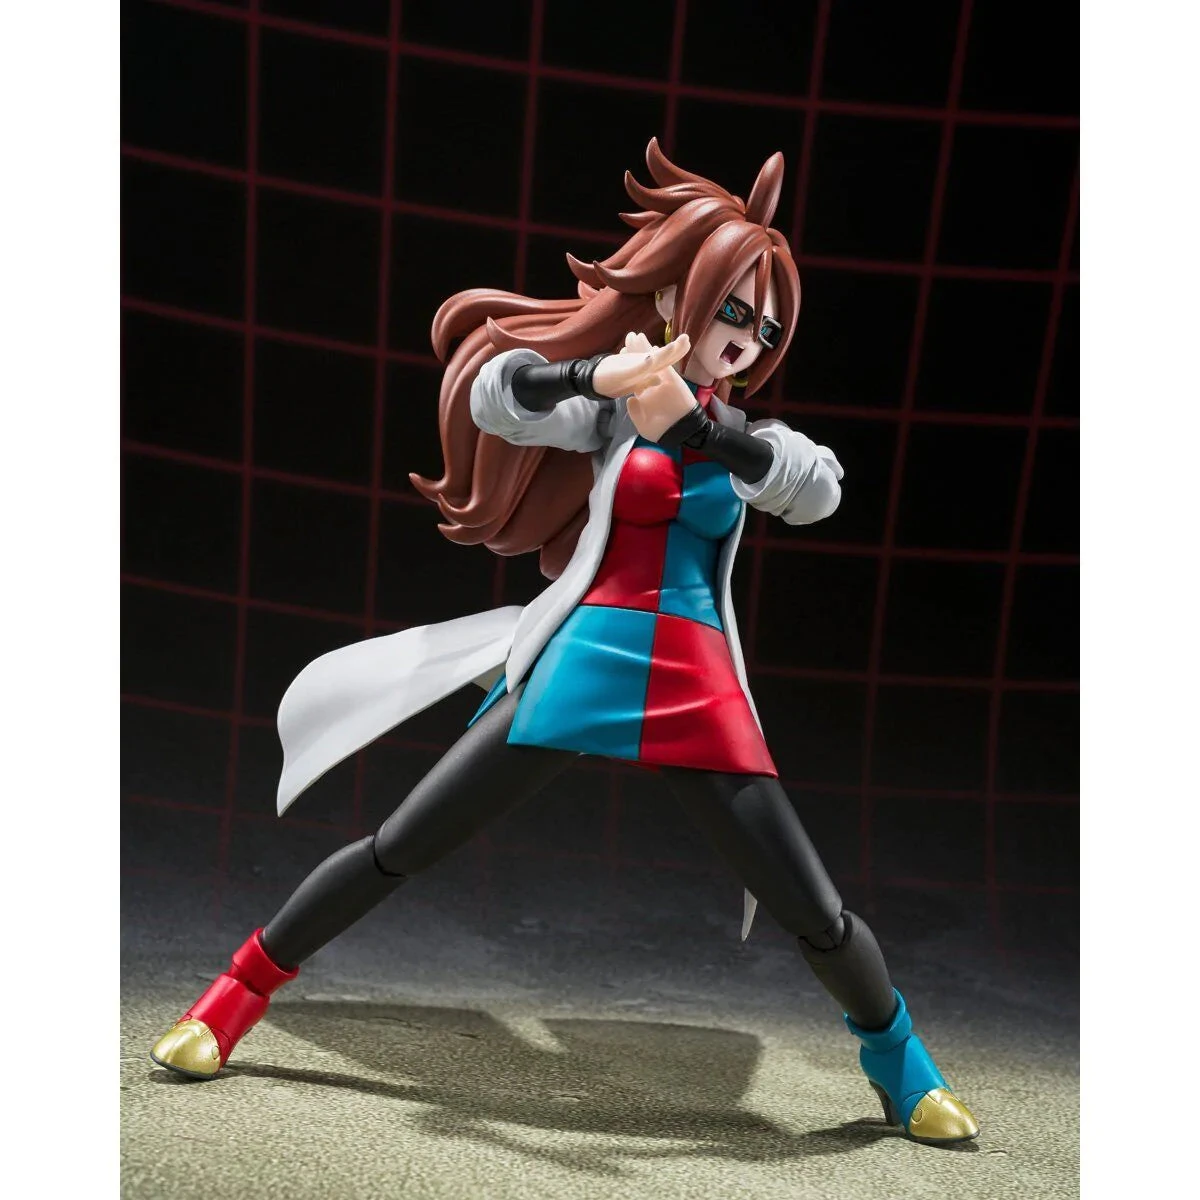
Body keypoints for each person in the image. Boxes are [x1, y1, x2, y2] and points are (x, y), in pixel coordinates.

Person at [150, 139, 979, 1146]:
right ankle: (231, 999)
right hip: (584, 657)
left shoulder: (753, 441)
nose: (747, 340)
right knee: (403, 844)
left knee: (811, 906)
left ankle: (903, 1068)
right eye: (733, 311)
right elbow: (497, 393)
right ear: (677, 298)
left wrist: (697, 429)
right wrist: (600, 372)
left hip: (696, 679)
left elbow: (818, 489)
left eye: (766, 327)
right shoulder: (614, 415)